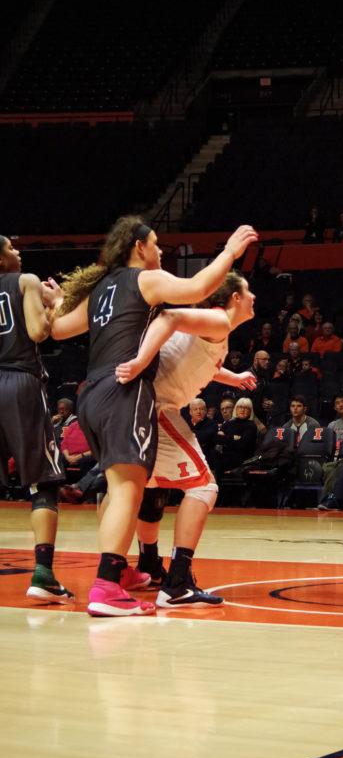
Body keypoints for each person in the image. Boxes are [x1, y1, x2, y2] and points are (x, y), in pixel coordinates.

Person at [47, 215, 257, 616]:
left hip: (91, 393)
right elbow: (195, 291)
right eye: (156, 243)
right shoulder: (144, 280)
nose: (160, 250)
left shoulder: (102, 288)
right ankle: (135, 583)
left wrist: (56, 302)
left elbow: (57, 330)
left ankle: (125, 570)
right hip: (130, 392)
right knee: (179, 487)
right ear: (138, 246)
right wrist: (230, 251)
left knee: (126, 489)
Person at [115, 271, 257, 608]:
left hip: (138, 405)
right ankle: (177, 583)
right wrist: (139, 361)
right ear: (235, 297)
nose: (253, 297)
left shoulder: (212, 327)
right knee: (204, 487)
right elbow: (169, 316)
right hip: (157, 407)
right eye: (248, 291)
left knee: (146, 486)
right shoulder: (219, 320)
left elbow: (199, 361)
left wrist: (234, 377)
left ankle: (141, 565)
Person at [0, 235, 72, 604]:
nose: (18, 251)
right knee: (44, 481)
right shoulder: (24, 280)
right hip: (19, 382)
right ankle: (43, 574)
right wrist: (56, 305)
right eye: (11, 248)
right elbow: (38, 332)